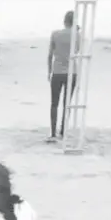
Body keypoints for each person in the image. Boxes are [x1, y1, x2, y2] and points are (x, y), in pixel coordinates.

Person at [47, 10, 80, 142]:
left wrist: (49, 71)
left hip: (57, 70)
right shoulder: (77, 35)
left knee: (54, 103)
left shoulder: (55, 34)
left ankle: (53, 132)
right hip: (72, 71)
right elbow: (77, 50)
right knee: (67, 103)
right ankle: (63, 130)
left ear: (64, 21)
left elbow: (50, 54)